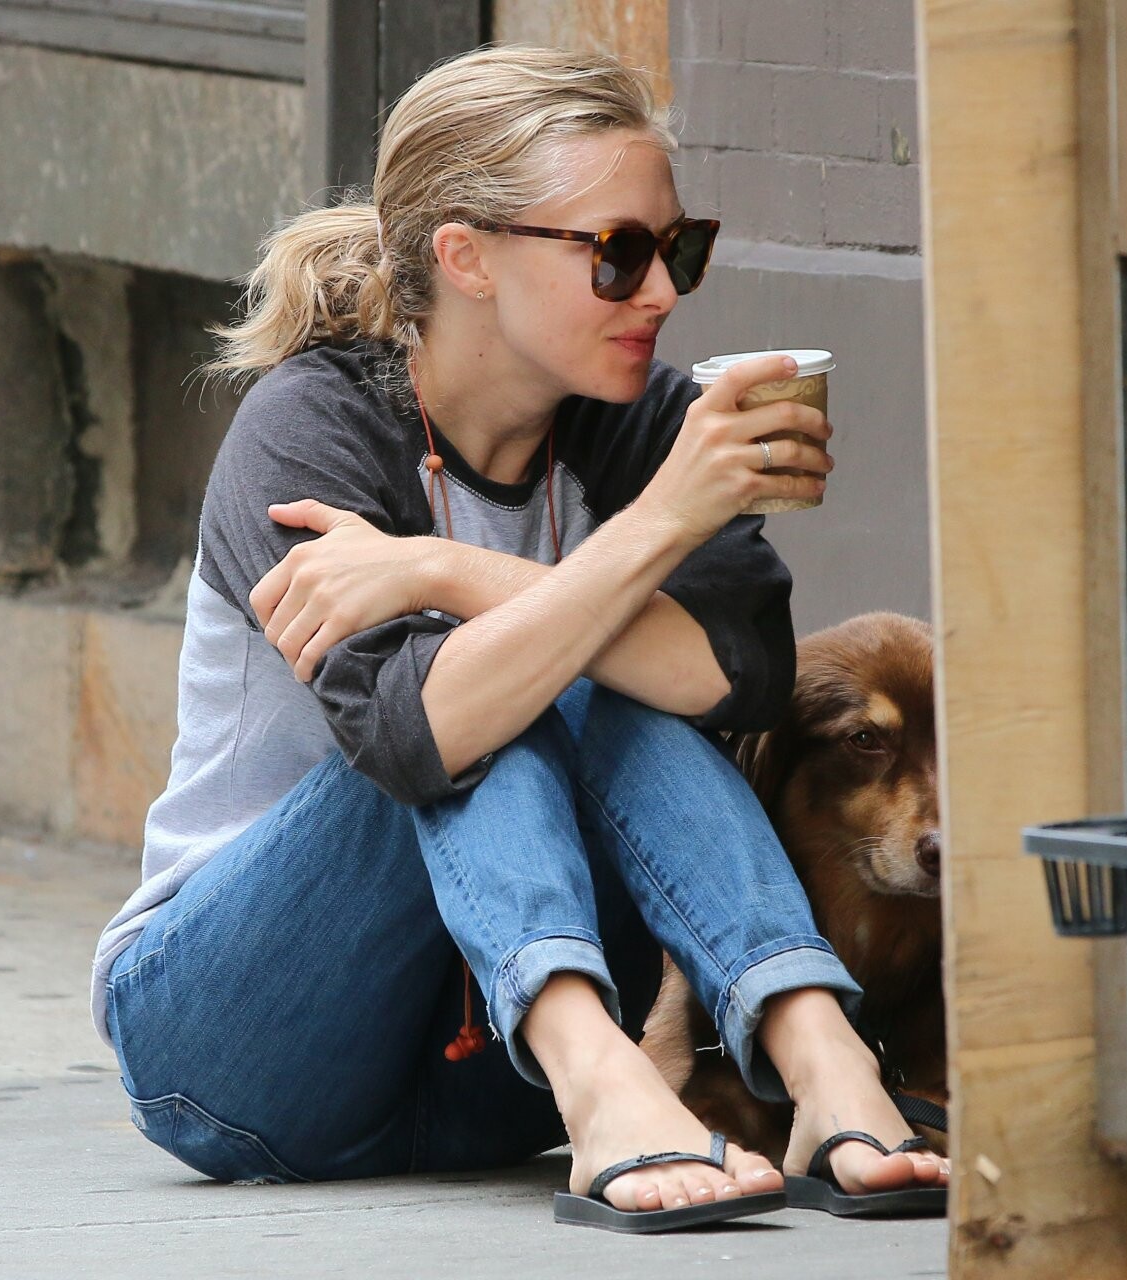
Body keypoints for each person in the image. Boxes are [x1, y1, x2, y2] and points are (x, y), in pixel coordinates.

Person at [88, 43, 950, 1231]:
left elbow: (736, 677)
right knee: (527, 682)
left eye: (680, 248)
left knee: (593, 666)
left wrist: (447, 568)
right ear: (468, 257)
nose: (663, 292)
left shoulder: (646, 425)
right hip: (240, 1042)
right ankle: (609, 1081)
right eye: (619, 252)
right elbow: (417, 733)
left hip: (492, 1078)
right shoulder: (310, 428)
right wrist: (651, 532)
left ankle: (822, 1058)